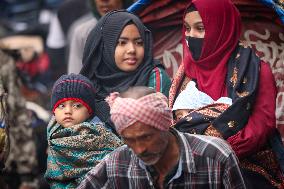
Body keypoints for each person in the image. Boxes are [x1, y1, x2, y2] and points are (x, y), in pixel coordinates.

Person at [169, 0, 284, 188]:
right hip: (192, 163)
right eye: (187, 29)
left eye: (200, 28)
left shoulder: (254, 70)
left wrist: (216, 153)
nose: (191, 36)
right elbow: (176, 124)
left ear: (222, 29)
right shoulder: (186, 73)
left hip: (248, 163)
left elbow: (261, 126)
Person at [78, 86, 246, 189]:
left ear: (166, 125)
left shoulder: (216, 157)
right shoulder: (116, 162)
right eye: (129, 140)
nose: (139, 149)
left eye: (147, 137)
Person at [80, 10, 171, 131]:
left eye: (139, 43)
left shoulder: (154, 77)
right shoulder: (88, 83)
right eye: (122, 42)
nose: (132, 49)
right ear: (105, 46)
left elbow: (151, 131)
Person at [44, 73, 122, 188]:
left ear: (89, 110)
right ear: (54, 111)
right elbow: (54, 176)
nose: (68, 111)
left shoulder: (100, 134)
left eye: (77, 106)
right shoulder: (53, 134)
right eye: (61, 106)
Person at [67, 0, 134, 74]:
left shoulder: (140, 28)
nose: (104, 1)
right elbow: (75, 78)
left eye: (138, 42)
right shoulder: (83, 33)